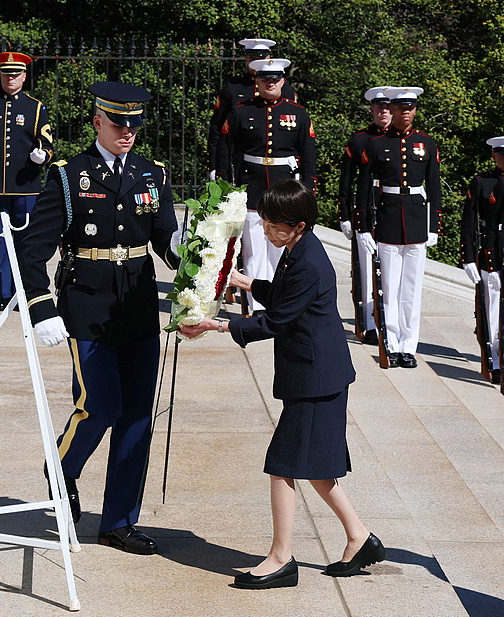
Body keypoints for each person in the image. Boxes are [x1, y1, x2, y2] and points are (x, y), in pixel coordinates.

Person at [180, 180, 386, 588]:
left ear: (300, 225)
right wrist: (244, 282)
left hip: (316, 378)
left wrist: (217, 324)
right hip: (316, 373)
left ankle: (280, 558)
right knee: (316, 469)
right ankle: (360, 538)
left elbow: (277, 320)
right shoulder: (299, 251)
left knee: (283, 466)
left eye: (275, 226)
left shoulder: (307, 261)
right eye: (267, 224)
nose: (269, 232)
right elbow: (285, 296)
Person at [18, 81, 181, 555]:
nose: (127, 132)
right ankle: (61, 465)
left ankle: (118, 522)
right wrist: (40, 306)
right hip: (86, 306)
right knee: (101, 404)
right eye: (118, 123)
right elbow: (33, 250)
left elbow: (164, 237)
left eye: (134, 124)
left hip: (136, 306)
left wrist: (186, 251)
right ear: (97, 122)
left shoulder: (153, 175)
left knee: (136, 418)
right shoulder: (70, 176)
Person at [219, 57, 316, 314]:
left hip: (285, 190)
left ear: (283, 82)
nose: (270, 84)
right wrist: (224, 184)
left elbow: (308, 156)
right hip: (253, 188)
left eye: (275, 80)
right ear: (257, 82)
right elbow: (225, 149)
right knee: (253, 252)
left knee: (281, 251)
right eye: (265, 80)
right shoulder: (241, 111)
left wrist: (308, 190)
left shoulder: (298, 113)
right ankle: (257, 305)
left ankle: (280, 301)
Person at [355, 87, 441, 369]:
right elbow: (364, 188)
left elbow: (435, 188)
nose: (405, 112)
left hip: (416, 221)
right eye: (400, 107)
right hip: (388, 221)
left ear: (415, 111)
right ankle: (389, 344)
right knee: (388, 290)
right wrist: (364, 227)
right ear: (390, 110)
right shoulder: (376, 143)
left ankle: (408, 346)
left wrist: (433, 225)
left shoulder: (426, 143)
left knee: (411, 291)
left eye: (410, 108)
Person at [0, 52, 53, 311]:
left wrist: (42, 155)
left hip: (26, 187)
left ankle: (24, 295)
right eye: (6, 73)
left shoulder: (35, 107)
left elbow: (47, 141)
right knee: (1, 242)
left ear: (24, 76)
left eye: (16, 74)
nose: (11, 78)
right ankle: (5, 294)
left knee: (26, 243)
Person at [337, 87, 392, 346]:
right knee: (366, 271)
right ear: (371, 110)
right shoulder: (359, 140)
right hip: (366, 208)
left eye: (389, 108)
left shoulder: (401, 141)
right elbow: (346, 181)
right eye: (379, 108)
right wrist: (345, 215)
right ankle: (369, 324)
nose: (384, 112)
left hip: (393, 210)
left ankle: (387, 321)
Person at [206, 38, 296, 183]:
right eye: (252, 59)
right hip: (241, 160)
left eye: (260, 58)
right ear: (246, 59)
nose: (255, 63)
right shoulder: (233, 87)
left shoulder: (283, 88)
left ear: (268, 58)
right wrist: (214, 165)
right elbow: (218, 128)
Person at [461, 136, 504, 383]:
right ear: (493, 155)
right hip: (491, 252)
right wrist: (468, 257)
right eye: (501, 154)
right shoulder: (482, 182)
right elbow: (469, 222)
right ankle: (494, 360)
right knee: (491, 310)